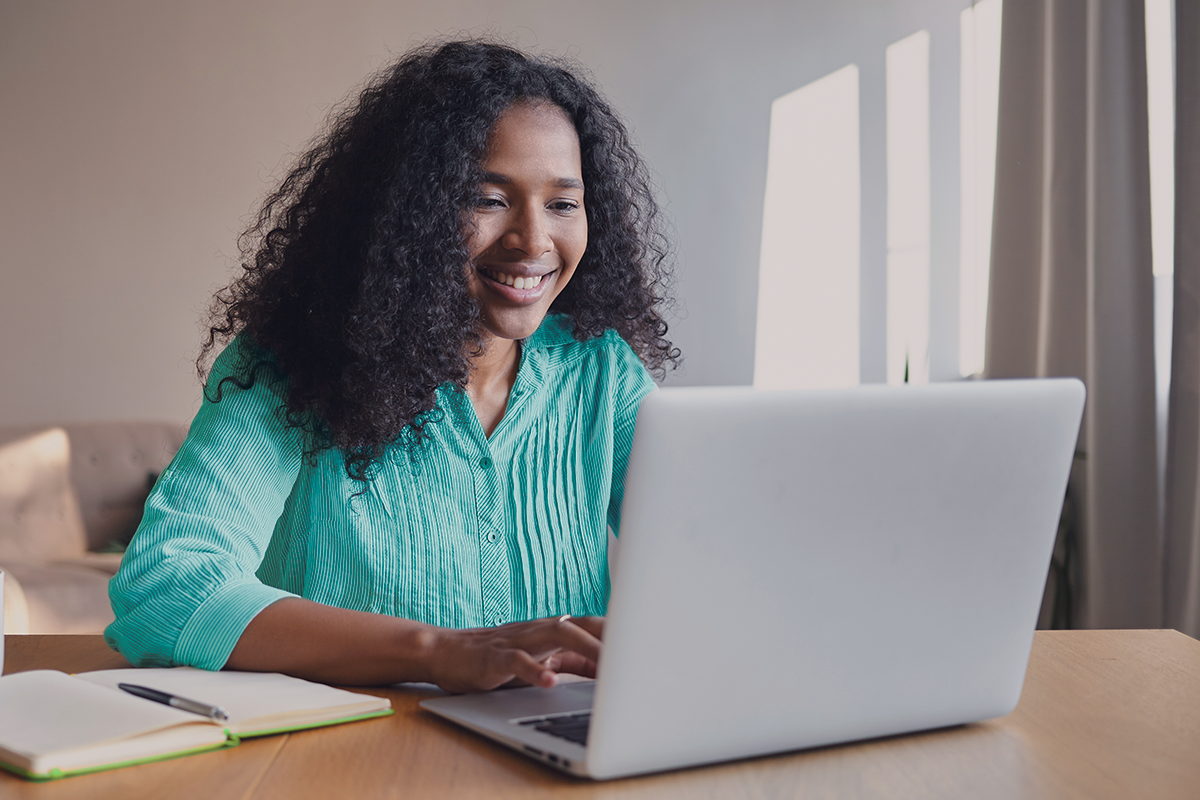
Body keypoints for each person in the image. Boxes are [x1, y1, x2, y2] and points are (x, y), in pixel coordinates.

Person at [104, 40, 679, 693]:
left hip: (551, 740)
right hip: (344, 741)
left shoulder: (602, 372)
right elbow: (165, 586)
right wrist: (434, 652)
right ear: (409, 210)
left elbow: (713, 561)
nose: (533, 239)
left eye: (563, 203)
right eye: (488, 199)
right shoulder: (291, 365)